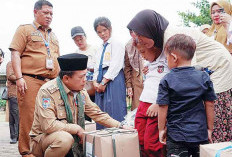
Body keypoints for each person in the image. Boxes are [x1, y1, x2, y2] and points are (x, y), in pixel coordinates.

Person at [127, 9, 232, 143]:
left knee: (210, 108)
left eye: (140, 35)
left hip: (219, 67)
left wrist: (159, 103)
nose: (139, 40)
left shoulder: (174, 38)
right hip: (205, 70)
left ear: (149, 29)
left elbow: (187, 76)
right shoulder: (161, 38)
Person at [29, 53, 128, 157]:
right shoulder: (48, 92)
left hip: (70, 139)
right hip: (43, 140)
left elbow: (97, 114)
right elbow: (48, 126)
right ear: (66, 78)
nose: (85, 80)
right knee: (64, 139)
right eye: (81, 76)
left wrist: (120, 126)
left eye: (85, 75)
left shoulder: (81, 92)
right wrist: (77, 128)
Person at [9, 0, 60, 155]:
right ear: (35, 12)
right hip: (30, 80)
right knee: (29, 117)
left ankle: (41, 149)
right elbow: (15, 53)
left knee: (48, 117)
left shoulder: (53, 35)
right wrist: (19, 78)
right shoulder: (25, 29)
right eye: (45, 12)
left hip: (50, 82)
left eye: (51, 13)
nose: (49, 16)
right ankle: (26, 151)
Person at [157, 34, 217, 157]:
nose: (166, 60)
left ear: (173, 57)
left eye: (166, 57)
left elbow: (163, 107)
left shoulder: (166, 80)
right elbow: (210, 104)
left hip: (176, 136)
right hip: (199, 134)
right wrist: (209, 129)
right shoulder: (203, 77)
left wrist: (161, 129)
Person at [134, 42, 168, 157]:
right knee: (140, 141)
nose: (142, 56)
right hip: (143, 103)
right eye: (140, 53)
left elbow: (171, 84)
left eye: (143, 52)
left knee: (152, 145)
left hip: (155, 105)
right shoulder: (148, 63)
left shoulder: (166, 57)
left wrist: (159, 103)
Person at [93, 17, 127, 129]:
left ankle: (118, 139)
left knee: (114, 109)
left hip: (113, 79)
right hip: (100, 78)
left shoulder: (117, 44)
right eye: (99, 32)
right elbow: (96, 65)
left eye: (104, 30)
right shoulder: (99, 48)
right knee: (101, 111)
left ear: (110, 29)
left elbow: (116, 64)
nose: (102, 34)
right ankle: (102, 140)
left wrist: (104, 82)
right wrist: (95, 82)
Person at [71, 26, 97, 101]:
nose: (79, 42)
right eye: (76, 40)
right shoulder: (76, 54)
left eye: (81, 39)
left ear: (85, 37)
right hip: (82, 87)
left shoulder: (95, 49)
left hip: (95, 85)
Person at [124, 38, 144, 110]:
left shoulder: (150, 40)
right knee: (138, 111)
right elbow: (127, 67)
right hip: (136, 83)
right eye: (131, 32)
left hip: (151, 81)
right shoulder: (129, 45)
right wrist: (129, 86)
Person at [6, 61, 19, 144]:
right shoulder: (11, 63)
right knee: (14, 116)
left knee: (21, 116)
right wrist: (22, 78)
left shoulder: (23, 62)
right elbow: (11, 76)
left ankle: (19, 135)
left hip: (23, 94)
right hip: (14, 93)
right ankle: (14, 136)